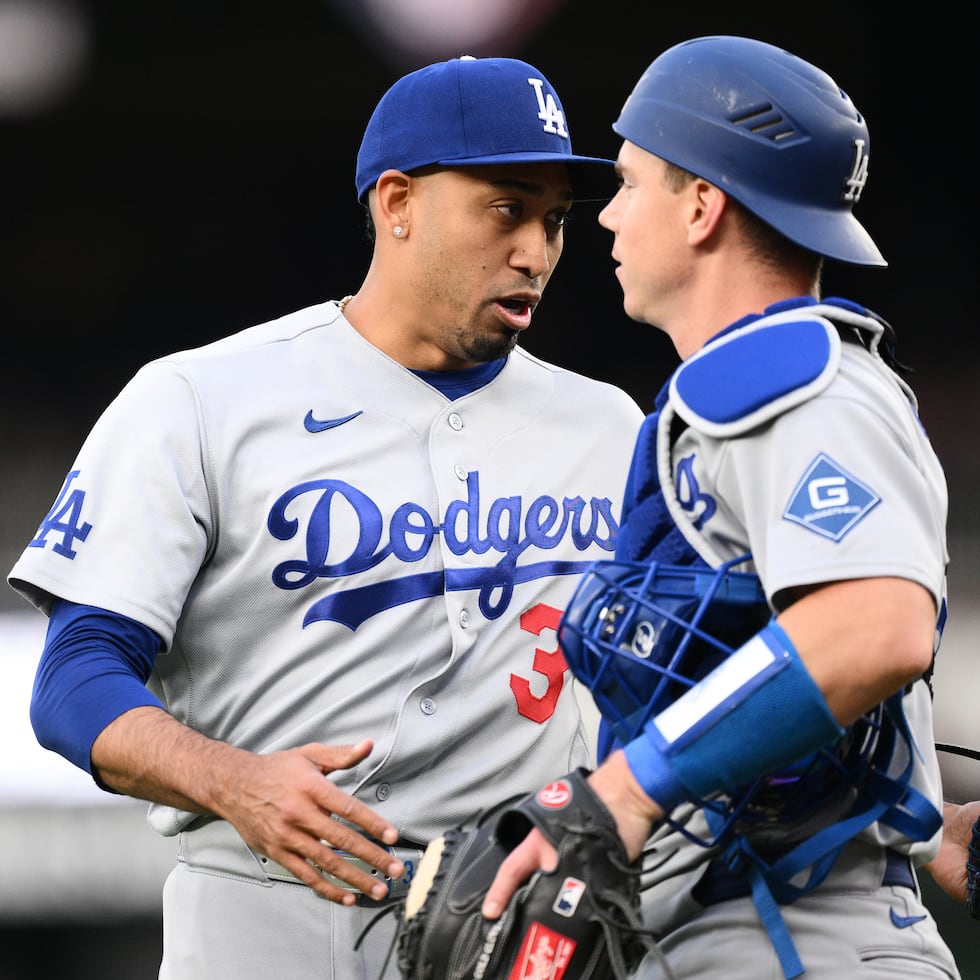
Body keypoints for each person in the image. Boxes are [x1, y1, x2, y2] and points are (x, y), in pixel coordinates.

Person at [6, 56, 645, 979]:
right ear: (398, 202)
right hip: (265, 910)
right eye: (506, 209)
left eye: (553, 221)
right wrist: (233, 780)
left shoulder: (610, 426)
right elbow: (74, 681)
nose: (535, 253)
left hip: (516, 918)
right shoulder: (199, 400)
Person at [482, 36, 967, 978]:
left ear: (702, 205)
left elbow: (876, 626)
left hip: (800, 938)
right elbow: (803, 683)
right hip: (735, 930)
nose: (608, 215)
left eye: (630, 183)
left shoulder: (800, 384)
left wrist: (627, 792)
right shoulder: (746, 399)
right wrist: (930, 819)